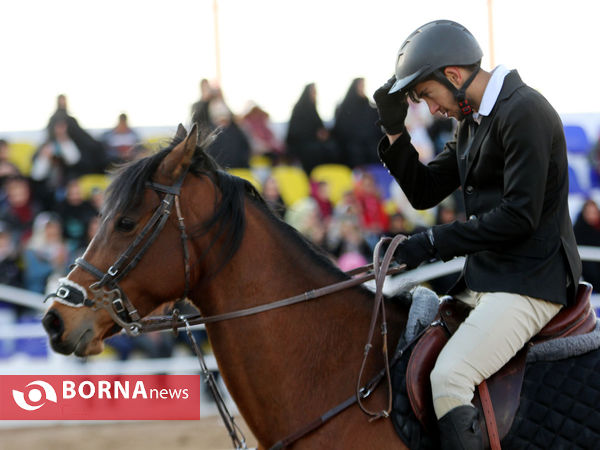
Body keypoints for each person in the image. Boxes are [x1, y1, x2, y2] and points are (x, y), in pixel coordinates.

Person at [373, 20, 581, 449]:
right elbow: (425, 191)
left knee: (450, 378)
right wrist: (395, 131)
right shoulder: (473, 121)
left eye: (428, 97)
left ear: (452, 76)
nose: (431, 110)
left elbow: (518, 217)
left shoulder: (524, 111)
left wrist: (430, 244)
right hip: (489, 276)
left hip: (531, 280)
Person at [285, 83, 339, 174]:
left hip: (316, 143)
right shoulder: (299, 109)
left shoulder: (313, 110)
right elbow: (295, 132)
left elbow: (320, 127)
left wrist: (323, 134)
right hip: (302, 144)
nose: (315, 95)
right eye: (313, 92)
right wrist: (314, 134)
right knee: (314, 151)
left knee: (333, 148)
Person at [332, 77, 383, 168]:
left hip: (370, 143)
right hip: (352, 145)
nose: (362, 89)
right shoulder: (345, 108)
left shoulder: (369, 107)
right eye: (361, 86)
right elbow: (341, 129)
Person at [573, 199, 600, 290]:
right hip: (586, 273)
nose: (592, 215)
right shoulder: (577, 232)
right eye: (589, 212)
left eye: (594, 212)